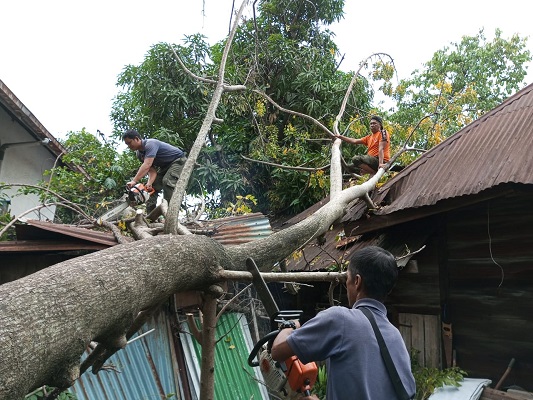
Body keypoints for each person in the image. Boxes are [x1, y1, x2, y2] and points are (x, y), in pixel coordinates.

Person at [271, 246, 416, 400]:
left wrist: (289, 327)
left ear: (357, 281)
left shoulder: (341, 319)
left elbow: (277, 352)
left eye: (347, 278)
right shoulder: (396, 336)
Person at [122, 129, 186, 212]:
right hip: (165, 167)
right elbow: (151, 170)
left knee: (167, 181)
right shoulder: (139, 154)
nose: (129, 146)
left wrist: (134, 181)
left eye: (129, 143)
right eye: (127, 144)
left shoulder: (150, 144)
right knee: (152, 186)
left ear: (136, 138)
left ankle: (170, 213)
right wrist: (149, 183)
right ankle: (150, 215)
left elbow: (147, 165)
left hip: (178, 161)